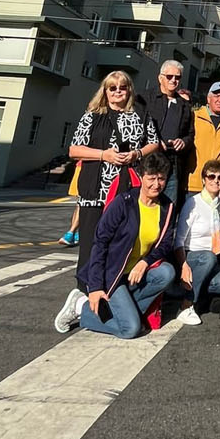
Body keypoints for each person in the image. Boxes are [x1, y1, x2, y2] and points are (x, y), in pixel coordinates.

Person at [54, 152, 176, 339]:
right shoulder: (124, 202)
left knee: (166, 272)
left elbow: (165, 243)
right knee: (130, 330)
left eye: (161, 179)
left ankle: (127, 313)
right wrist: (95, 287)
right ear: (141, 177)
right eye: (151, 178)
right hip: (112, 275)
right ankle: (81, 307)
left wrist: (145, 262)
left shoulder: (167, 207)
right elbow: (100, 243)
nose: (156, 184)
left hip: (136, 274)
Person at [67, 72, 160, 293]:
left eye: (122, 87)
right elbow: (74, 150)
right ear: (105, 91)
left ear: (129, 90)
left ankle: (113, 290)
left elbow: (154, 142)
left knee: (120, 241)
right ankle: (85, 292)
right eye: (112, 88)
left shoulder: (140, 114)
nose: (118, 91)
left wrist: (137, 154)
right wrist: (103, 155)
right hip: (96, 189)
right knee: (91, 244)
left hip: (126, 188)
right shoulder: (92, 116)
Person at [174, 157, 220, 325]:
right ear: (203, 179)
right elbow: (178, 240)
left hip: (211, 258)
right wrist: (183, 266)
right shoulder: (193, 203)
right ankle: (187, 304)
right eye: (211, 176)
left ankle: (187, 290)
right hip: (192, 256)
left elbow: (216, 235)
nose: (216, 181)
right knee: (208, 257)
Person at [138, 60, 195, 209]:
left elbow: (190, 134)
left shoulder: (184, 105)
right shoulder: (144, 99)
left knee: (168, 207)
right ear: (160, 78)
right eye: (169, 76)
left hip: (172, 164)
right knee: (141, 205)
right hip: (147, 161)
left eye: (177, 77)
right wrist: (155, 141)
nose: (173, 80)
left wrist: (183, 142)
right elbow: (137, 128)